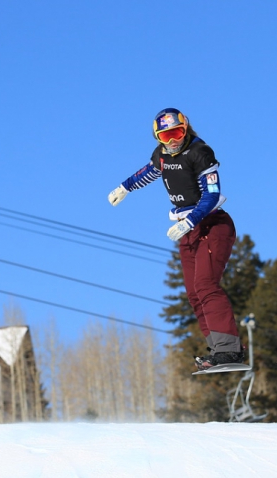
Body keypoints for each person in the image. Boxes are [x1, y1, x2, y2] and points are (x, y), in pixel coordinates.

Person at [107, 108, 243, 371]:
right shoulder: (162, 155)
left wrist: (192, 220)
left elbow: (212, 194)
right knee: (194, 293)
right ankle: (219, 350)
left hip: (212, 224)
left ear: (186, 128)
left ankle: (230, 350)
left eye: (178, 133)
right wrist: (125, 187)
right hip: (186, 229)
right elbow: (148, 171)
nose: (173, 141)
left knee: (205, 285)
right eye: (166, 136)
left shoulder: (200, 153)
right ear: (158, 137)